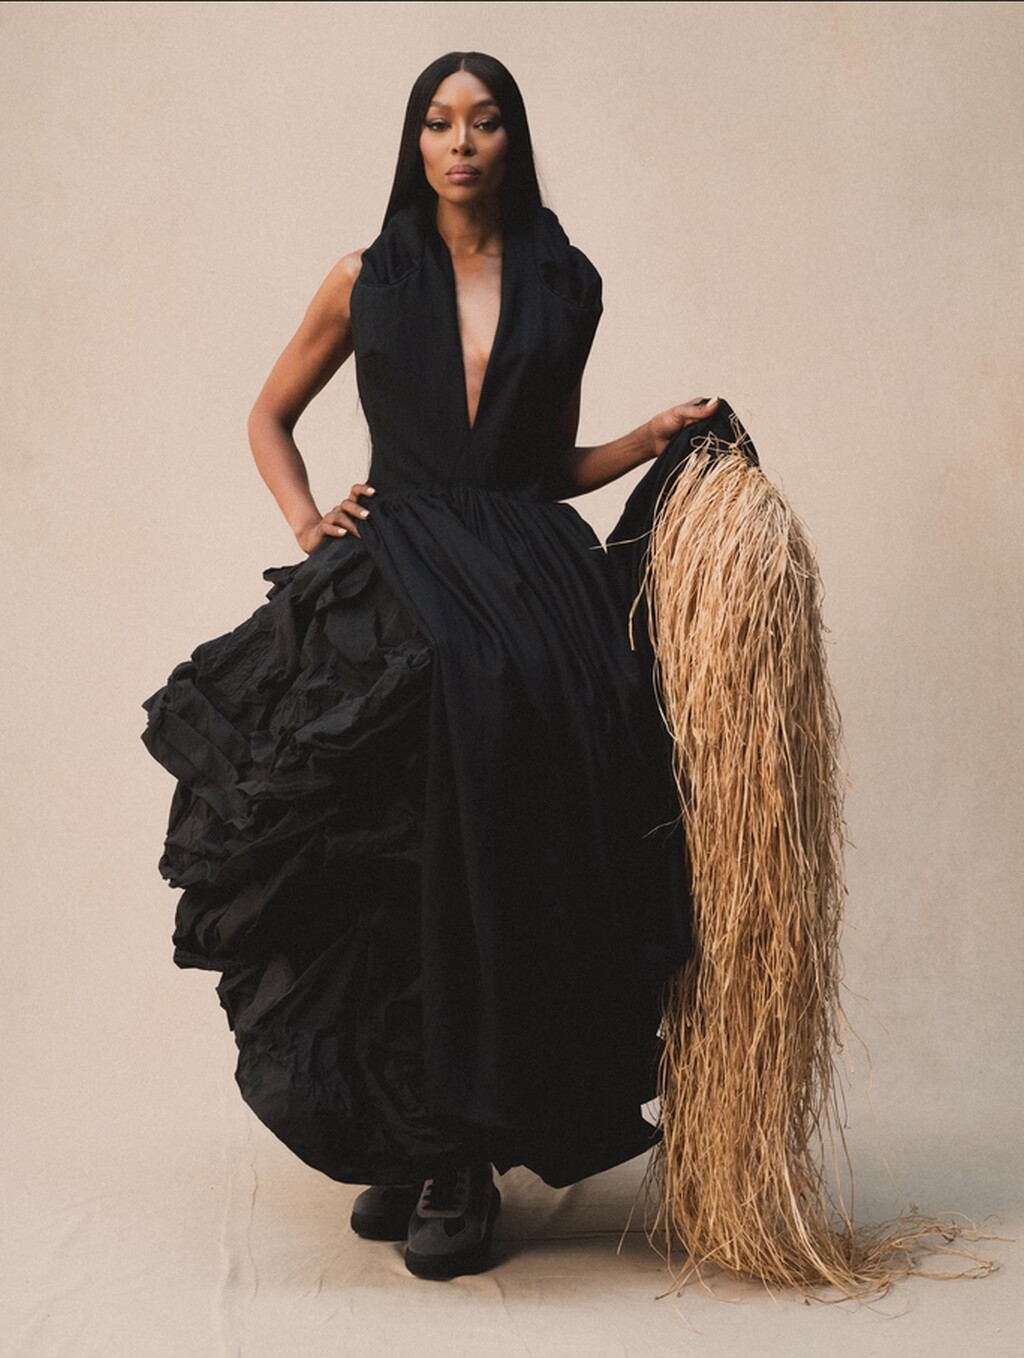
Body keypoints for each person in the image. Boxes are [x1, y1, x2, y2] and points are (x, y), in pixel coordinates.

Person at [141, 51, 717, 1281]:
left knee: (506, 847)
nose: (461, 142)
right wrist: (308, 522)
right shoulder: (366, 276)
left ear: (513, 139)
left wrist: (646, 438)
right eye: (440, 122)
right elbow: (268, 415)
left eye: (485, 122)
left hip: (523, 574)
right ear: (415, 141)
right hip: (401, 570)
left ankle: (465, 1153)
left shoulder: (565, 281)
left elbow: (545, 464)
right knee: (387, 861)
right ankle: (414, 1133)